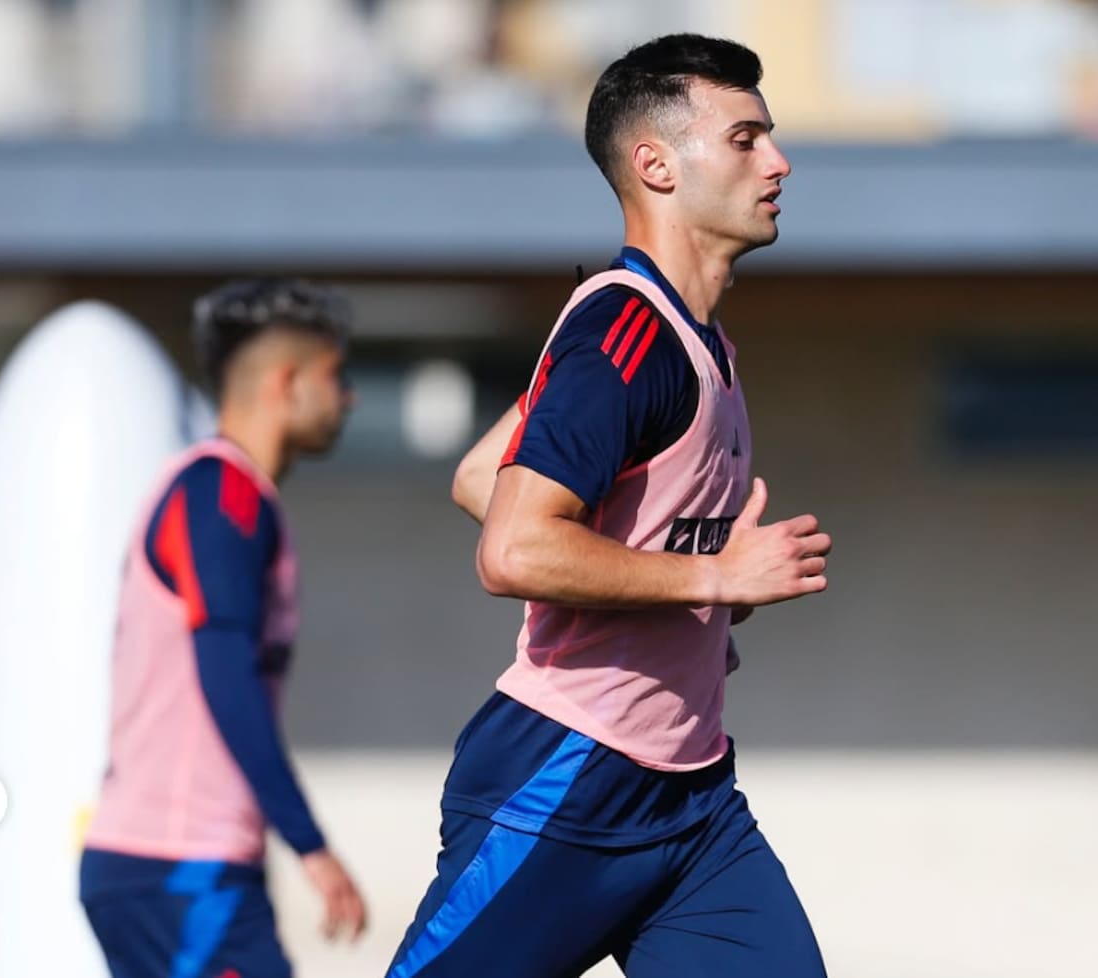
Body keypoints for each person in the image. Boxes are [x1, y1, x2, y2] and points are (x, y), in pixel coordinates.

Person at [387, 34, 831, 978]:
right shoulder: (626, 332)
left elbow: (480, 475)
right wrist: (712, 575)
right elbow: (513, 549)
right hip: (570, 776)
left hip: (693, 801)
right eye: (746, 139)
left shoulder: (692, 336)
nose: (779, 162)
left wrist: (689, 581)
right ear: (656, 165)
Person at [80, 279, 366, 978]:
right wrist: (310, 843)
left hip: (171, 865)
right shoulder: (222, 493)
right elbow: (226, 672)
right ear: (285, 382)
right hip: (179, 863)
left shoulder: (225, 492)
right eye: (336, 376)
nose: (350, 397)